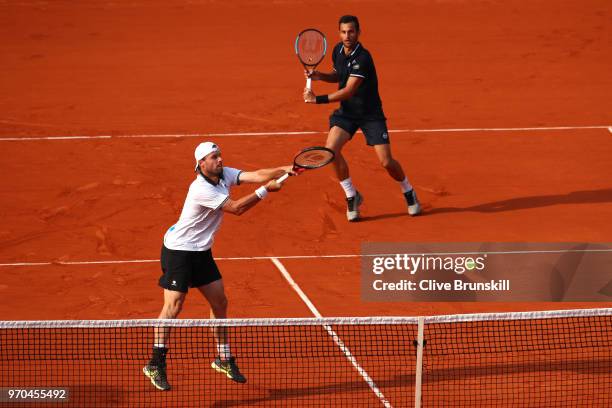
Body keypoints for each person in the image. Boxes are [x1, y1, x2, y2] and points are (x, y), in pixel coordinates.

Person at [143, 141, 296, 391]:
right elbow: (236, 209)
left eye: (220, 155)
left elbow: (255, 175)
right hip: (179, 251)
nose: (220, 160)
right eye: (214, 157)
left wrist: (285, 168)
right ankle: (155, 363)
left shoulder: (223, 173)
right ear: (201, 163)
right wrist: (265, 191)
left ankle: (223, 358)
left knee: (219, 302)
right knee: (174, 305)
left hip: (201, 251)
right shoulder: (200, 189)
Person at [303, 15, 421, 221]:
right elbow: (338, 75)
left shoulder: (363, 58)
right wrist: (320, 75)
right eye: (343, 32)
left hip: (370, 115)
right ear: (339, 33)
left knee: (386, 162)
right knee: (330, 151)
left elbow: (349, 90)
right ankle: (352, 195)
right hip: (347, 113)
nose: (347, 36)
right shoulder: (338, 50)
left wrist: (317, 99)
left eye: (351, 32)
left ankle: (408, 190)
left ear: (358, 32)